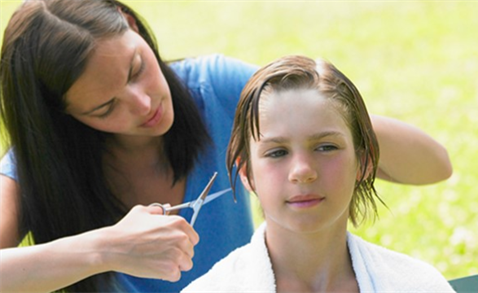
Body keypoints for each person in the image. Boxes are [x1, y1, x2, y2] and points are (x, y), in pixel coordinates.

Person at [0, 1, 451, 292]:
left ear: (133, 25)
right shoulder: (41, 166)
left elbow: (434, 165)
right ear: (65, 116)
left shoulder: (214, 89)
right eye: (105, 107)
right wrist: (108, 249)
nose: (143, 104)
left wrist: (333, 129)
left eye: (137, 68)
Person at [181, 55, 455, 292]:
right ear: (246, 173)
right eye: (277, 152)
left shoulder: (420, 286)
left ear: (364, 160)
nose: (302, 171)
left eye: (326, 147)